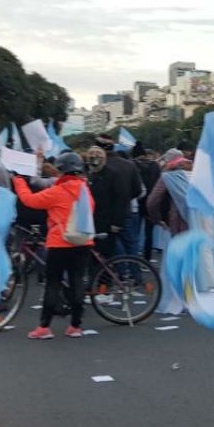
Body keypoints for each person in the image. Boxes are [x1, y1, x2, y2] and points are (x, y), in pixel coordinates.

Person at [14, 152, 95, 340]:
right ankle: (75, 326)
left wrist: (19, 181)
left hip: (59, 242)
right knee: (77, 282)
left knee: (53, 283)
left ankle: (44, 327)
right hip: (83, 242)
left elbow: (29, 200)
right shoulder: (85, 190)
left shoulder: (57, 191)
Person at [87, 144, 144, 262]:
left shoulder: (112, 174)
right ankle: (124, 275)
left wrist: (116, 222)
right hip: (97, 221)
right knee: (125, 248)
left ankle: (128, 277)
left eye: (98, 155)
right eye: (91, 155)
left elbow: (123, 196)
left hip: (109, 220)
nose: (94, 158)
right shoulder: (90, 176)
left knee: (109, 253)